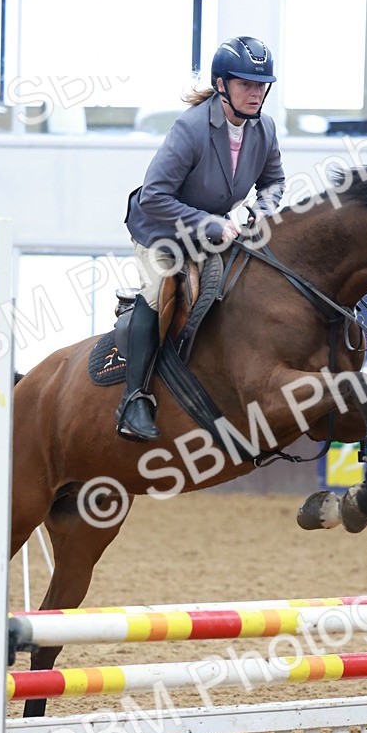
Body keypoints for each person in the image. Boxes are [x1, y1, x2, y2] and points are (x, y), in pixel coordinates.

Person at [119, 35, 286, 441]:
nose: (256, 92)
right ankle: (134, 400)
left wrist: (262, 211)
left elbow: (274, 181)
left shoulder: (263, 129)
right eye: (246, 83)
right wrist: (213, 225)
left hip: (212, 230)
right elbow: (155, 196)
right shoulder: (191, 128)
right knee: (161, 289)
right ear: (221, 85)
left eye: (261, 84)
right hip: (159, 228)